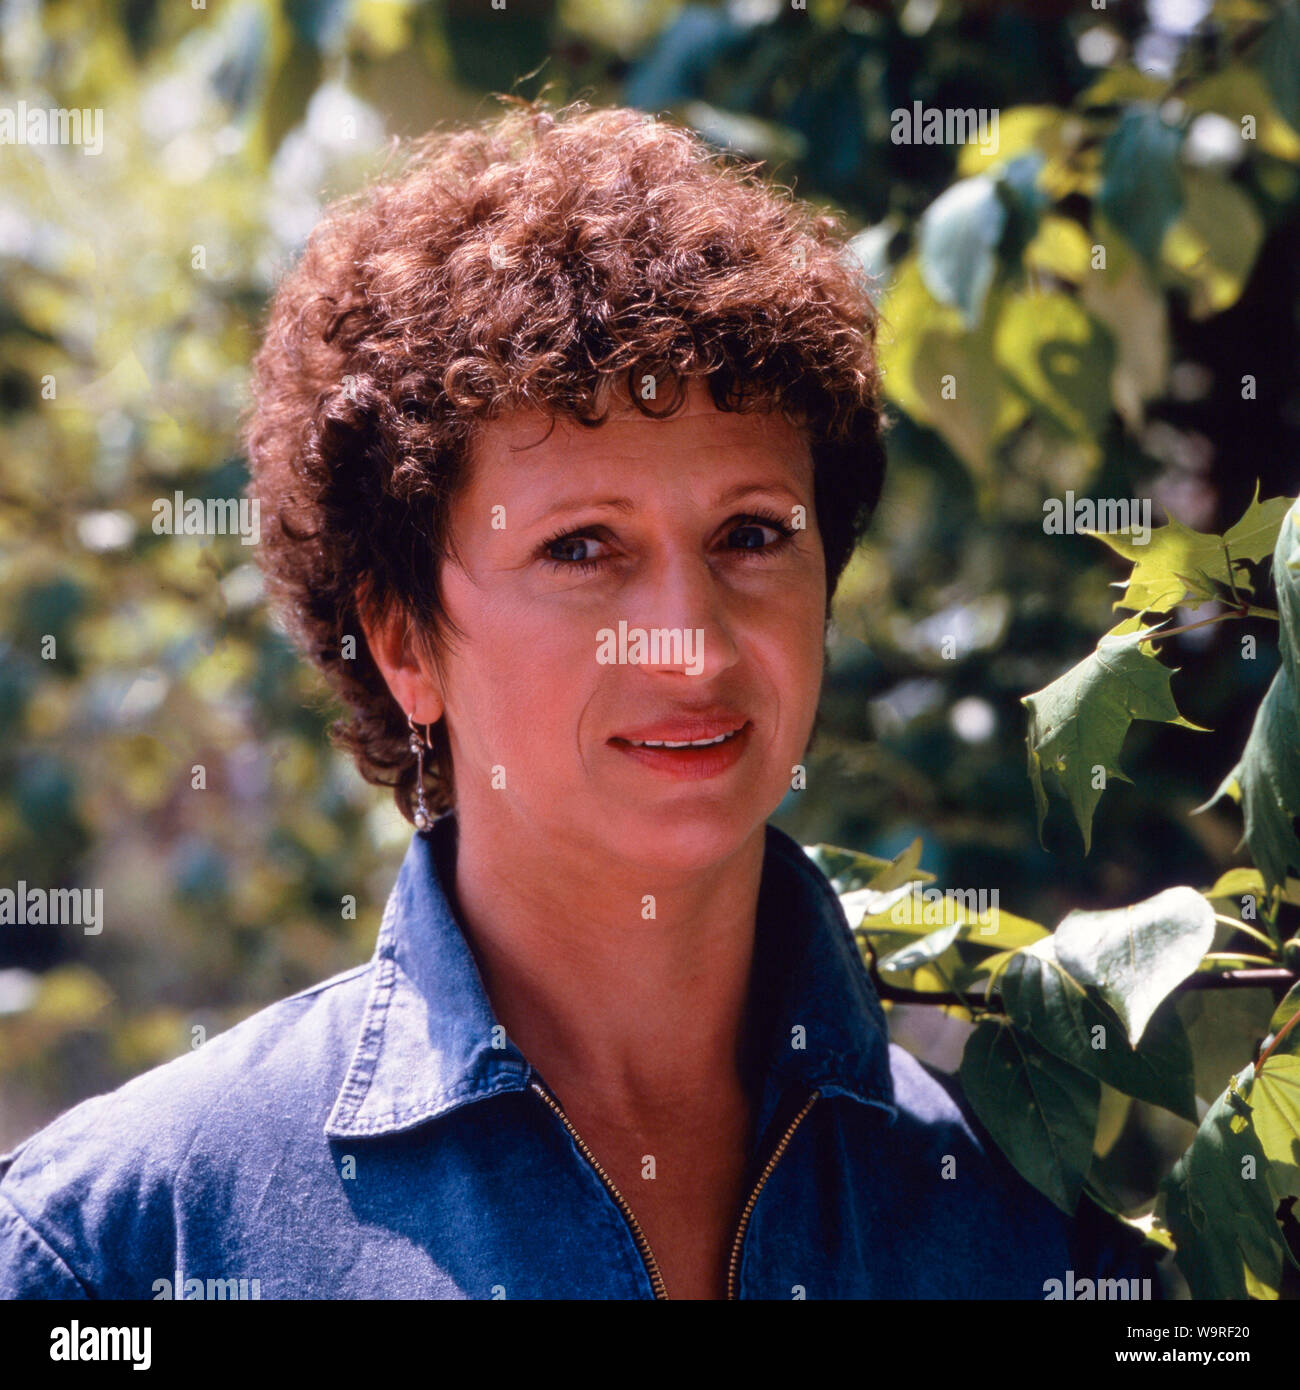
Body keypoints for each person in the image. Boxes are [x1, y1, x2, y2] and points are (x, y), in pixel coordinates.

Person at [0, 96, 1152, 1300]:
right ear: (403, 639)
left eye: (751, 534)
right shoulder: (123, 1249)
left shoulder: (1033, 1225)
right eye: (580, 548)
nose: (693, 646)